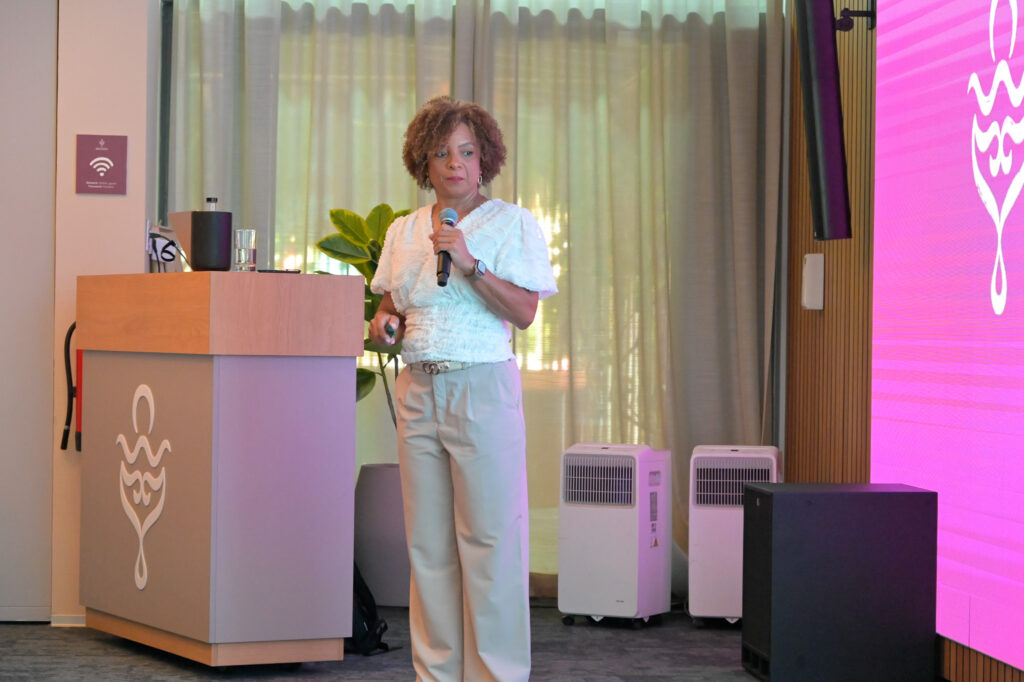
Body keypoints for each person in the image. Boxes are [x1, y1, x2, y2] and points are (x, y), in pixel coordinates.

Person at [368, 95, 557, 682]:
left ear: (485, 161)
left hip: (481, 388)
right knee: (428, 546)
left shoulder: (512, 223)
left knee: (491, 542)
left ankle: (496, 675)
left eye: (467, 152)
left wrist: (471, 264)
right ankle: (436, 675)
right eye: (442, 153)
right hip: (418, 389)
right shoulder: (403, 231)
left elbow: (524, 313)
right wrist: (385, 324)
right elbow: (390, 308)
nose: (455, 163)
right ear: (423, 164)